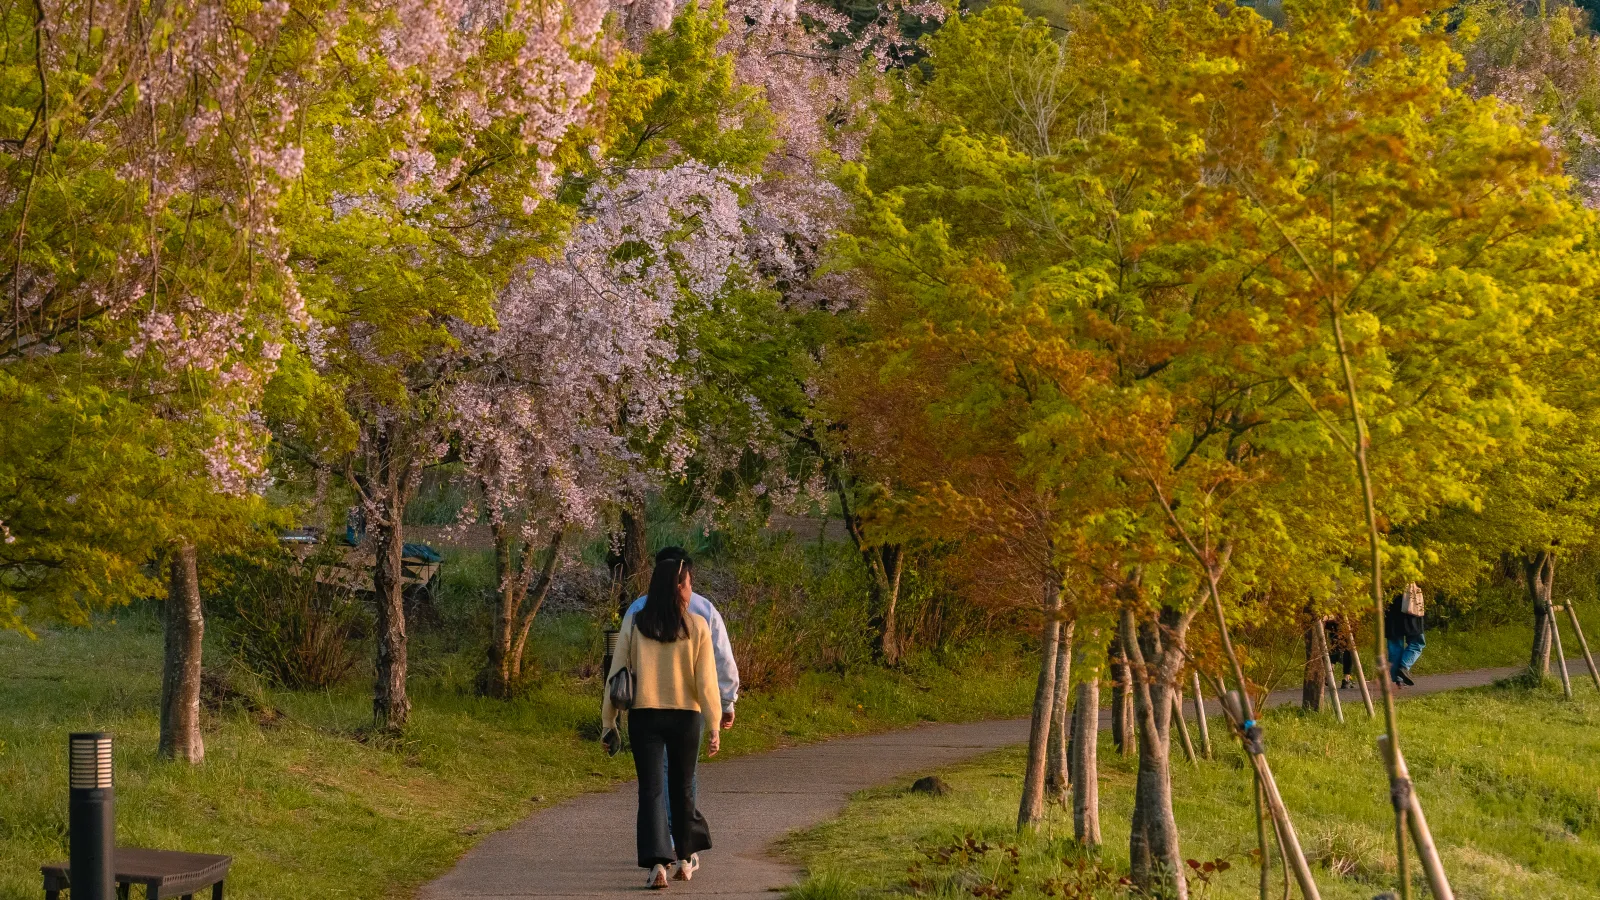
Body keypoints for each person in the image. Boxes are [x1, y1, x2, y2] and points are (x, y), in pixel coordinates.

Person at [602, 553, 722, 889]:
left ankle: (657, 865)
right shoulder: (696, 627)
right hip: (686, 718)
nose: (690, 590)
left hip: (645, 717)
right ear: (678, 587)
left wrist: (607, 721)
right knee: (682, 789)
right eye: (687, 584)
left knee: (652, 791)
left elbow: (617, 675)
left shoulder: (637, 622)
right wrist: (714, 724)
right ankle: (684, 860)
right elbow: (706, 682)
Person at [627, 547, 740, 730]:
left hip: (645, 704)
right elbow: (721, 658)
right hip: (690, 704)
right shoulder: (704, 610)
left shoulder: (638, 609)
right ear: (689, 574)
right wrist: (726, 701)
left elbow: (622, 659)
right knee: (683, 759)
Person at [1385, 582, 1426, 687]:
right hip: (1411, 606)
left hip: (1391, 608)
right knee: (1417, 643)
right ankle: (1403, 667)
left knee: (1395, 646)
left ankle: (1398, 679)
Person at [1325, 617, 1357, 690]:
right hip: (1347, 619)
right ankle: (1346, 679)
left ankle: (1329, 673)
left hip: (1332, 620)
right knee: (1348, 648)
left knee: (1335, 645)